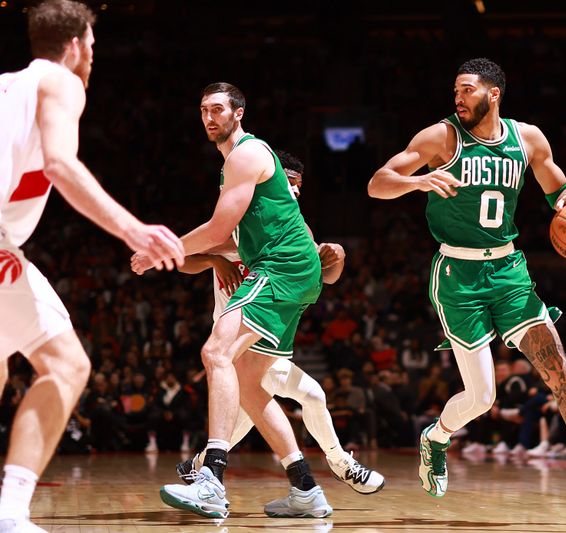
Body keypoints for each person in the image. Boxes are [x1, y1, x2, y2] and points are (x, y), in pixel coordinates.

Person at [368, 57, 566, 513]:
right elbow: (378, 183)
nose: (458, 98)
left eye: (466, 90)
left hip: (509, 273)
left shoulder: (526, 139)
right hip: (457, 276)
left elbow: (555, 188)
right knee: (482, 396)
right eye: (455, 91)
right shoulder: (441, 137)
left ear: (493, 93)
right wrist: (420, 181)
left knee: (560, 373)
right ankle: (437, 435)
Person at [132, 84, 382, 519]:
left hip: (280, 272)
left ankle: (209, 479)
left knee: (215, 352)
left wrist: (159, 249)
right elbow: (218, 241)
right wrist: (206, 257)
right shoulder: (241, 165)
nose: (209, 117)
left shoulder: (245, 156)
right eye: (203, 110)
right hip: (291, 275)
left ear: (239, 113)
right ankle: (305, 488)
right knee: (251, 385)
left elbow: (215, 229)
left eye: (217, 109)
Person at [0, 2, 185, 531]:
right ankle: (10, 513)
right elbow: (61, 164)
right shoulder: (60, 81)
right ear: (76, 45)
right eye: (93, 48)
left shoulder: (5, 86)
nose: (93, 59)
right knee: (68, 366)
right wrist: (135, 230)